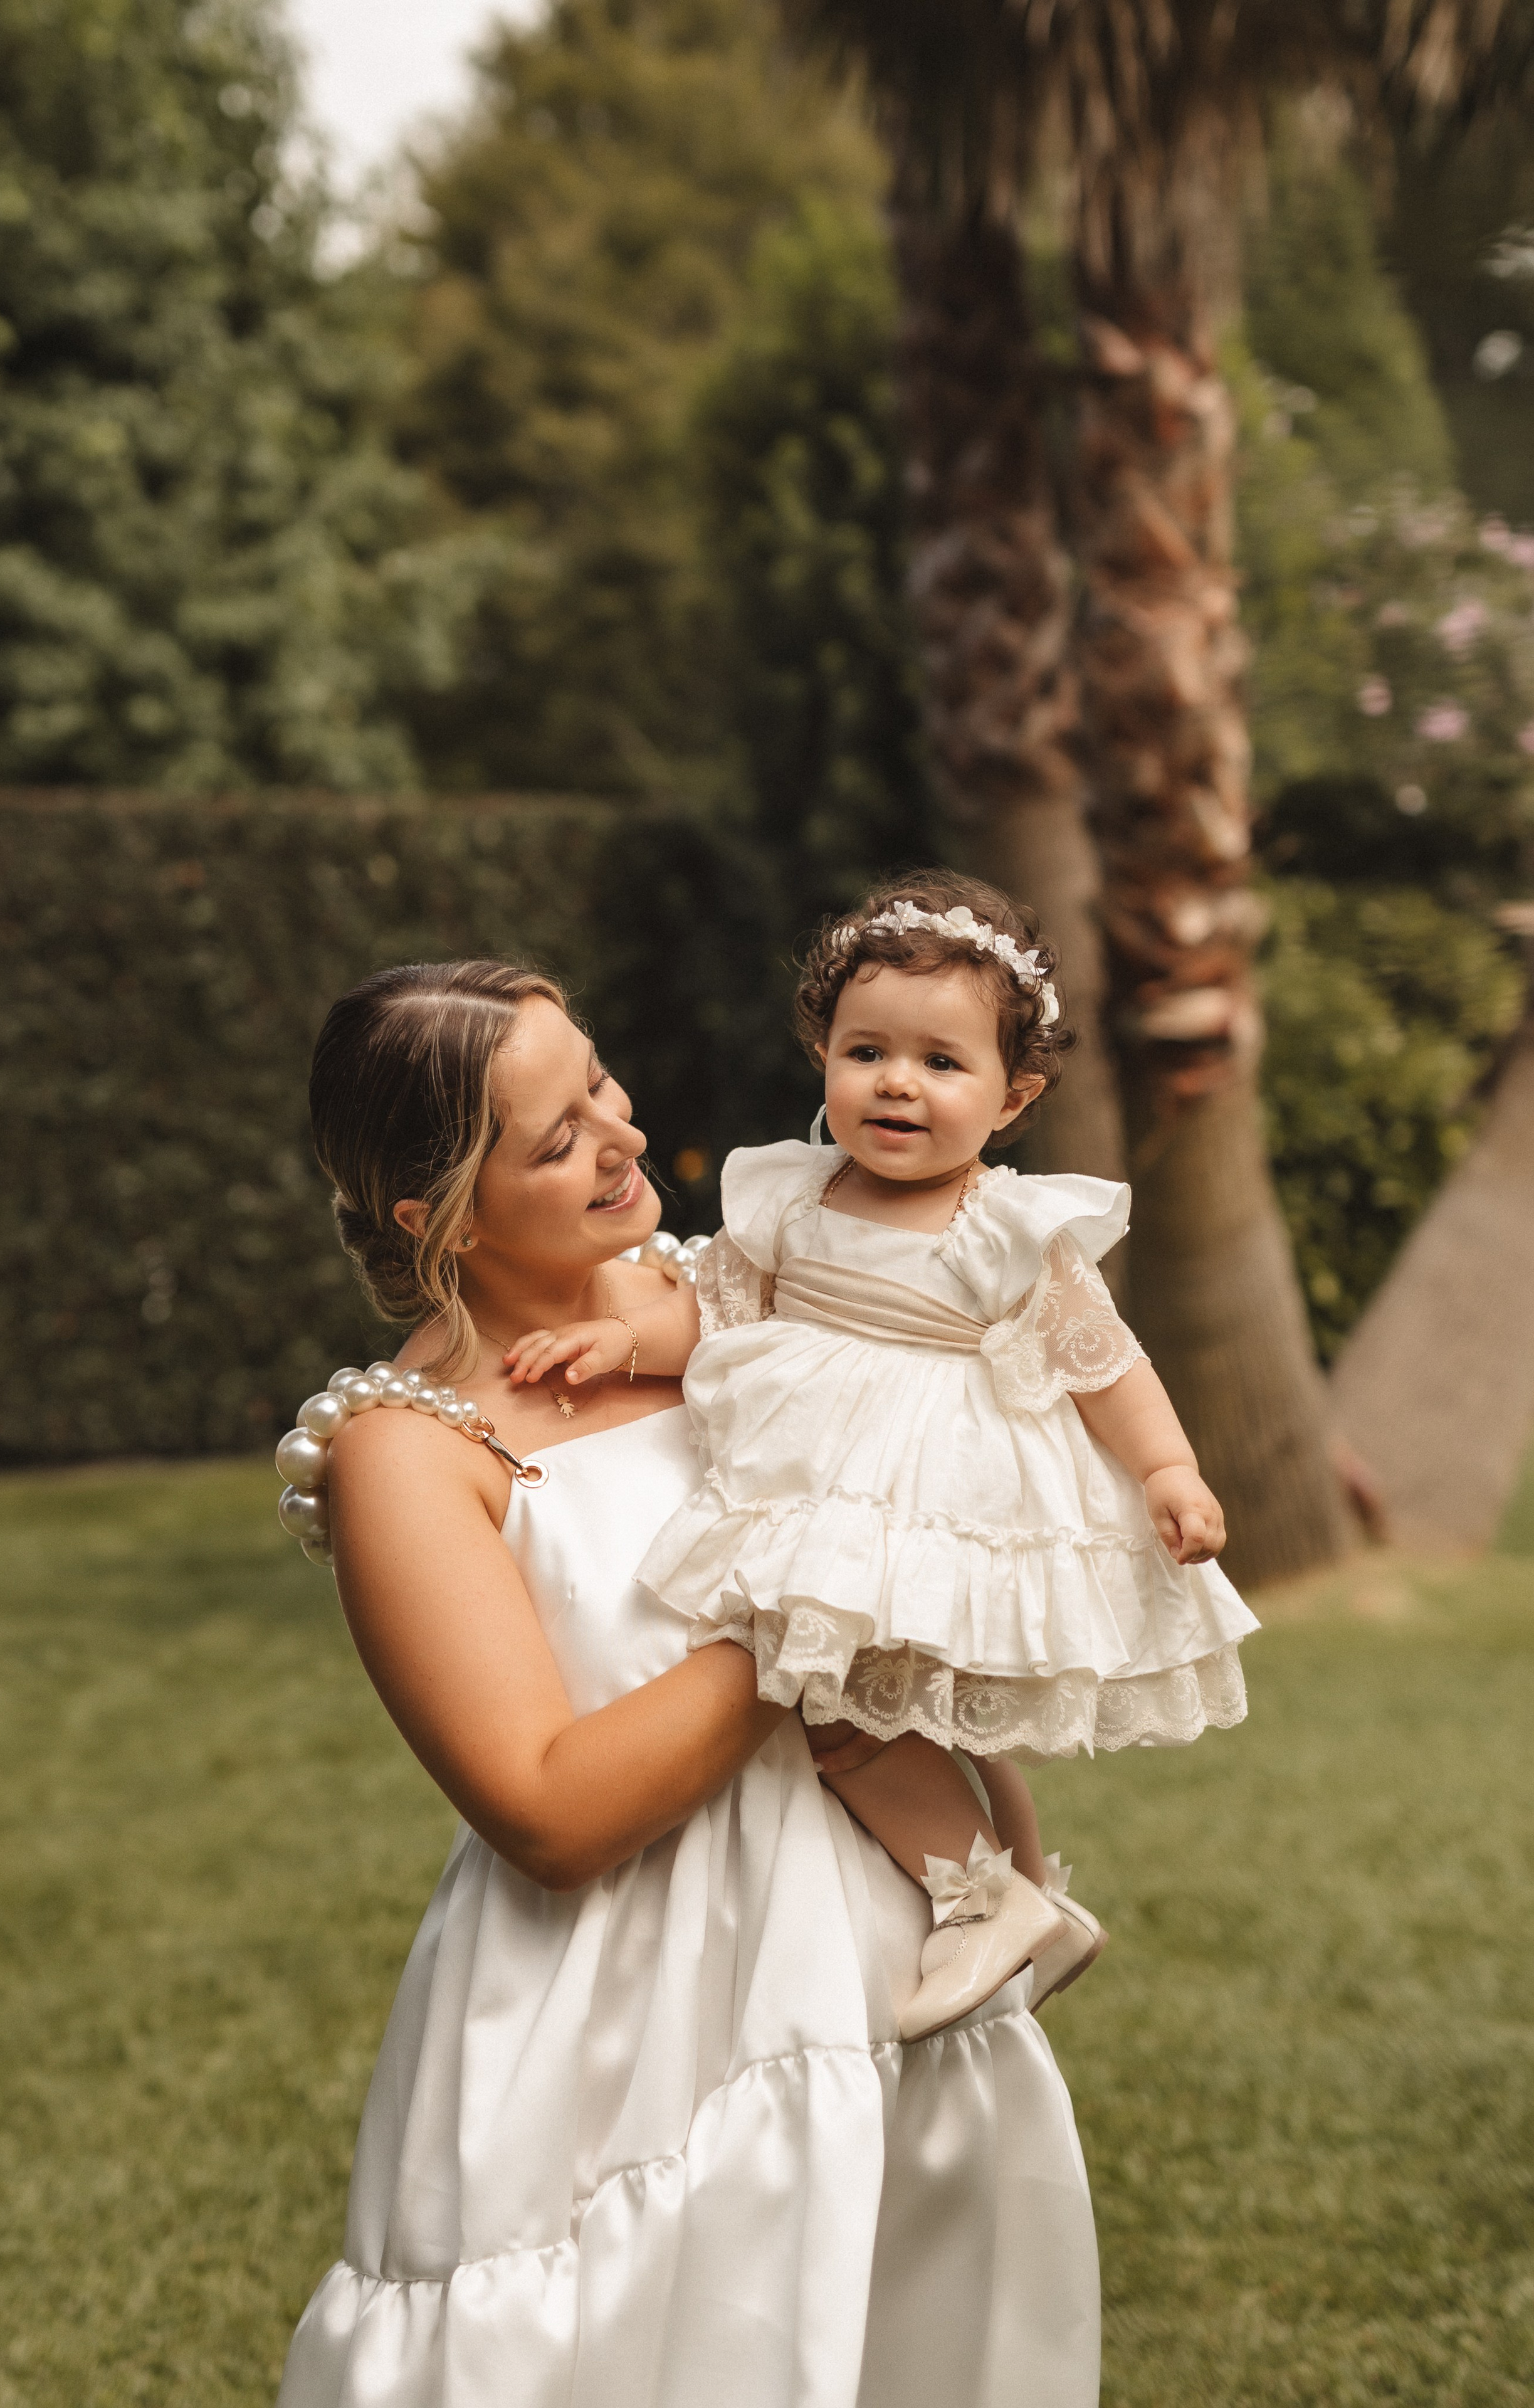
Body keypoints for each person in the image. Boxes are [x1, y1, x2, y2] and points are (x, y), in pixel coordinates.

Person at [274, 955, 1101, 2408]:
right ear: (433, 1213)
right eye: (558, 1138)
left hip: (876, 1952)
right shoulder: (409, 1453)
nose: (625, 1134)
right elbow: (549, 1811)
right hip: (623, 2022)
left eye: (599, 1081)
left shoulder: (733, 1290)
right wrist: (816, 1597)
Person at [502, 874, 1260, 2044]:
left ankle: (988, 1897)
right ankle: (1020, 1891)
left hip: (929, 1494)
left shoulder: (1001, 1225)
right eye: (867, 1052)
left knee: (847, 1717)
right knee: (884, 1710)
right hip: (822, 1484)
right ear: (824, 1055)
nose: (898, 1083)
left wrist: (1168, 1470)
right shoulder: (795, 1196)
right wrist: (625, 1341)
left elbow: (1101, 1359)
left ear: (1013, 1097)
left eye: (941, 1063)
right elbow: (715, 1308)